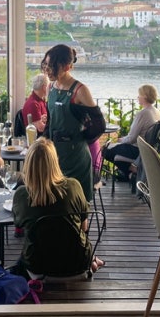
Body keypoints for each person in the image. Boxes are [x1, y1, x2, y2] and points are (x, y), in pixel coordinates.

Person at [12, 138, 104, 277]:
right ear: (55, 161)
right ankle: (92, 259)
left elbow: (19, 224)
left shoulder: (21, 194)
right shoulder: (73, 186)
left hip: (38, 266)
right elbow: (84, 227)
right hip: (77, 263)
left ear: (28, 164)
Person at [40, 44, 96, 202]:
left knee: (78, 203)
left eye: (52, 66)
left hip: (75, 158)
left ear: (66, 67)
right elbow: (50, 121)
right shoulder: (50, 87)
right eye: (46, 65)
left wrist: (78, 138)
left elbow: (99, 125)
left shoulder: (80, 90)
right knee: (55, 203)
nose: (47, 70)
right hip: (54, 156)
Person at [102, 84, 160, 179]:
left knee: (105, 151)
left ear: (145, 96)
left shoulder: (143, 113)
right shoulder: (156, 111)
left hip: (136, 150)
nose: (138, 97)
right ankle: (129, 175)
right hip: (147, 150)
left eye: (139, 95)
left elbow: (131, 138)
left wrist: (120, 140)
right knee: (112, 150)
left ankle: (131, 171)